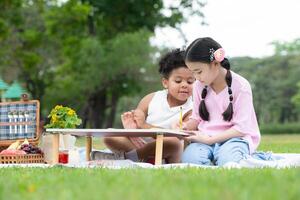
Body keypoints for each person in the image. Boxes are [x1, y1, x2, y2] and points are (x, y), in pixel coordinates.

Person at [91, 49, 195, 163]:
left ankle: (126, 158)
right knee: (109, 135)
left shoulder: (192, 109)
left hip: (167, 152)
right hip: (140, 144)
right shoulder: (151, 98)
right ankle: (139, 158)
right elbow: (137, 120)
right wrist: (132, 127)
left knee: (173, 142)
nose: (185, 85)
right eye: (178, 81)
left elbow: (179, 136)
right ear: (165, 83)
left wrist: (144, 126)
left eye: (190, 82)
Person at [180, 37, 261, 166]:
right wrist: (183, 127)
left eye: (199, 72)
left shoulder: (241, 86)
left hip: (235, 139)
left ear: (216, 64)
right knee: (191, 160)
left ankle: (256, 157)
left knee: (228, 161)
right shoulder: (198, 86)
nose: (196, 78)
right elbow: (197, 118)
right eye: (193, 73)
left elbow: (241, 129)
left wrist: (210, 140)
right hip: (205, 138)